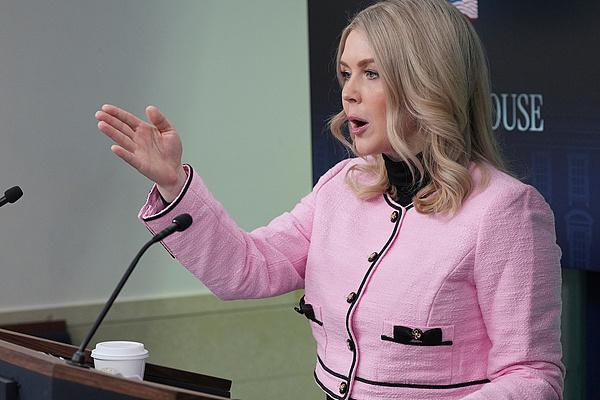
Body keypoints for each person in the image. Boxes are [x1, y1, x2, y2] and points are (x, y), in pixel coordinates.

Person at [95, 0, 564, 399]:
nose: (349, 93)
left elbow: (531, 378)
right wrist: (173, 183)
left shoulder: (506, 211)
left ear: (427, 82)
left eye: (371, 73)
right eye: (345, 73)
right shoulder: (342, 186)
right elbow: (247, 269)